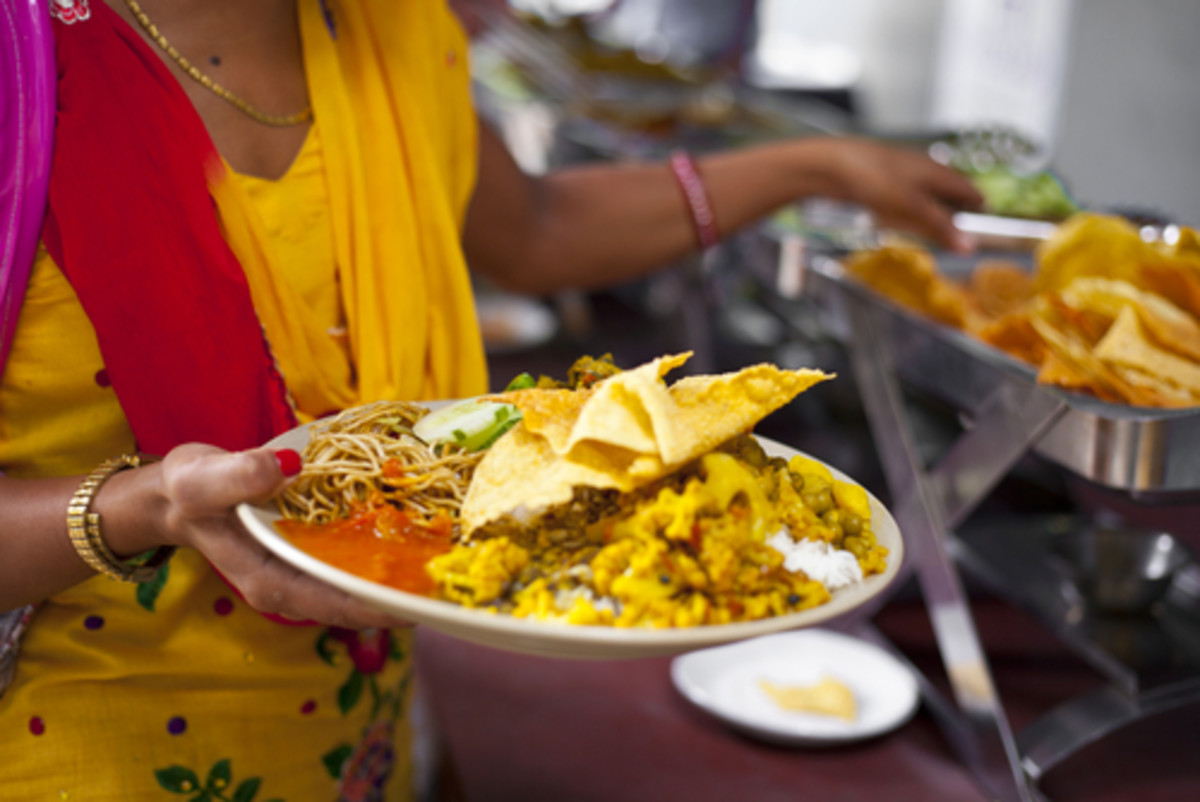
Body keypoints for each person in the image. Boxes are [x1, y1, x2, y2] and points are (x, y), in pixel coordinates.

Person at [0, 1, 982, 799]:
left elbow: (536, 226)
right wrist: (144, 507)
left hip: (362, 746)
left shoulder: (388, 35)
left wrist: (814, 168)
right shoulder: (24, 68)